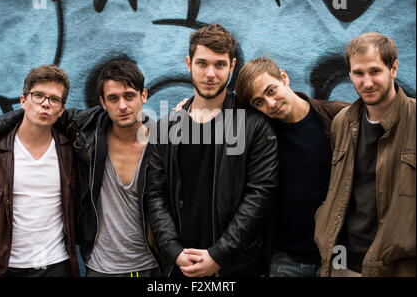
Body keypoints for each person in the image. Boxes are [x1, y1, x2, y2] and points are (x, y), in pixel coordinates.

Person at [0, 59, 161, 277]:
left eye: (129, 96)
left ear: (143, 95)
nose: (123, 106)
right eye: (113, 98)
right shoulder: (86, 130)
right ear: (103, 102)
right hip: (86, 268)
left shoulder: (162, 143)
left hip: (135, 266)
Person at [145, 24, 279, 277]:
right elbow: (156, 193)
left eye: (219, 65)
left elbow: (261, 193)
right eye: (202, 63)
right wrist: (173, 251)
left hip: (234, 268)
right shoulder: (167, 127)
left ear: (232, 66)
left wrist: (219, 255)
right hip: (179, 267)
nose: (210, 74)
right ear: (188, 63)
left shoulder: (253, 124)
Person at [234, 57, 348, 277]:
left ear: (284, 77)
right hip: (285, 260)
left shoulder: (336, 117)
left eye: (271, 90)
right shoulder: (262, 137)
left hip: (338, 257)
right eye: (259, 102)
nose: (270, 103)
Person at [314, 32, 416, 277]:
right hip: (342, 264)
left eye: (375, 71)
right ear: (349, 74)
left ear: (393, 68)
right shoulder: (342, 122)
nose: (367, 82)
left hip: (397, 266)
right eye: (358, 73)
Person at [0, 65, 79, 277]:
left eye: (54, 99)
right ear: (23, 101)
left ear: (61, 110)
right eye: (38, 96)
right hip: (2, 268)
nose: (45, 104)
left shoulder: (70, 151)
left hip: (56, 266)